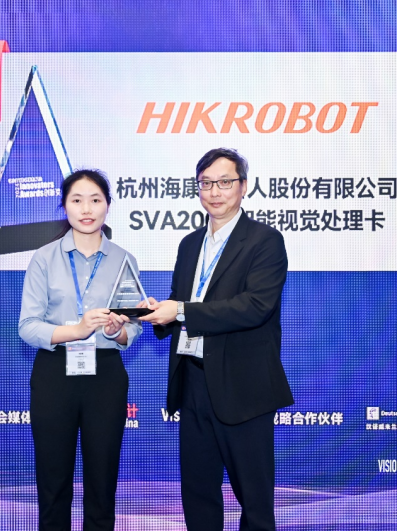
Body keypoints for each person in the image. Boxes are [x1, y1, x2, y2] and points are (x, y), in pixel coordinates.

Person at [139, 148, 293, 531]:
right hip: (193, 381)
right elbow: (181, 301)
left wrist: (180, 310)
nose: (214, 191)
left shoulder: (265, 240)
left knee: (254, 501)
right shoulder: (190, 244)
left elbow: (255, 307)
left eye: (225, 182)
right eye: (206, 183)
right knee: (198, 495)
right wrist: (158, 313)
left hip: (244, 387)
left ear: (243, 186)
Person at [19, 169, 142, 531]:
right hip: (55, 374)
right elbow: (28, 326)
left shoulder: (123, 259)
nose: (86, 209)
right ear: (64, 206)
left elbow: (134, 326)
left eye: (95, 200)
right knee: (53, 482)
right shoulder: (44, 258)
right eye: (77, 200)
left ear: (108, 205)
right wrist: (77, 330)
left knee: (102, 482)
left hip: (105, 376)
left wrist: (118, 331)